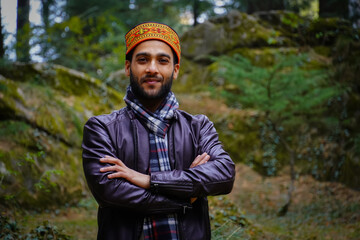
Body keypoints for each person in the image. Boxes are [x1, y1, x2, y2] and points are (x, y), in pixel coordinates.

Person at [82, 22, 235, 240]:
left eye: (162, 61)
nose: (152, 68)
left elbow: (224, 175)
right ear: (128, 68)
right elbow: (110, 192)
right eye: (143, 60)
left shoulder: (198, 126)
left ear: (175, 70)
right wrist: (186, 196)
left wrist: (148, 180)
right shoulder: (102, 128)